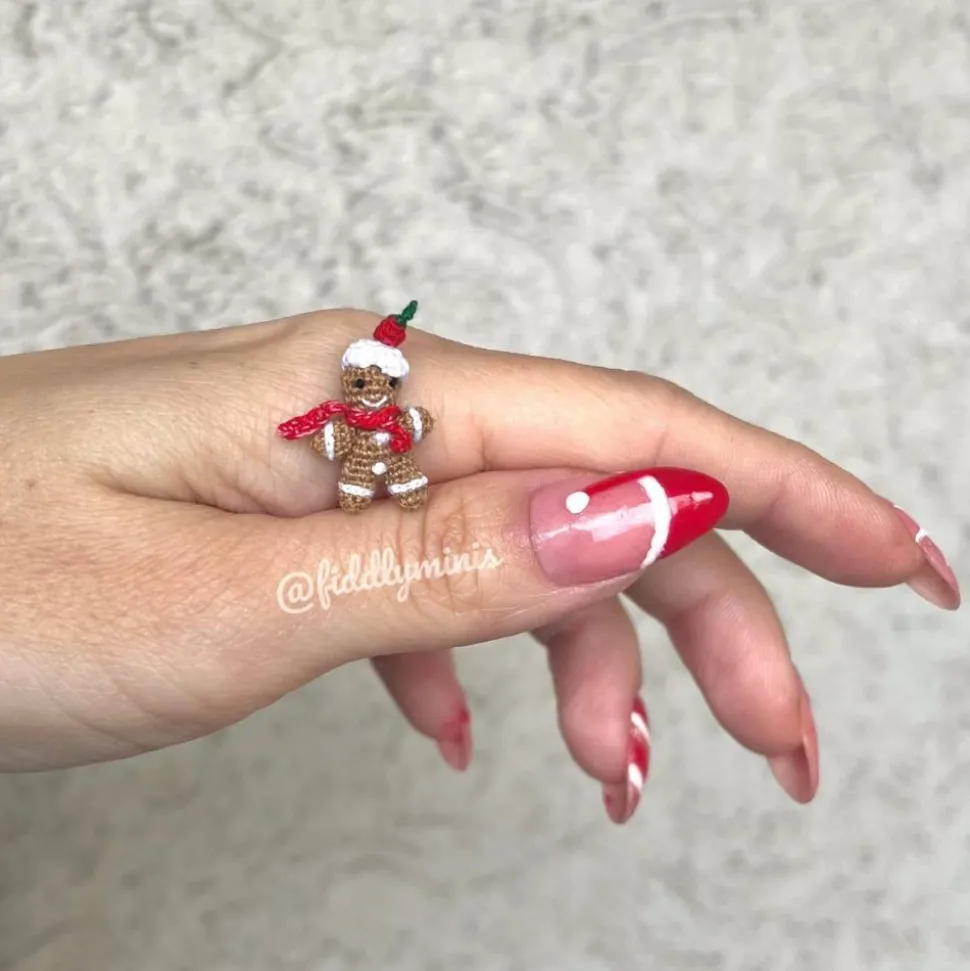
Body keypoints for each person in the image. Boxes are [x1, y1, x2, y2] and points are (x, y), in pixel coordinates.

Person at [0, 306, 958, 826]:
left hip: (391, 471)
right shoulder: (347, 408)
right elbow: (317, 420)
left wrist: (413, 476)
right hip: (364, 476)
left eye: (372, 380)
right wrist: (321, 440)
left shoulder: (394, 410)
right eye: (358, 379)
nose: (363, 386)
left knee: (405, 496)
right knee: (388, 502)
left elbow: (409, 423)